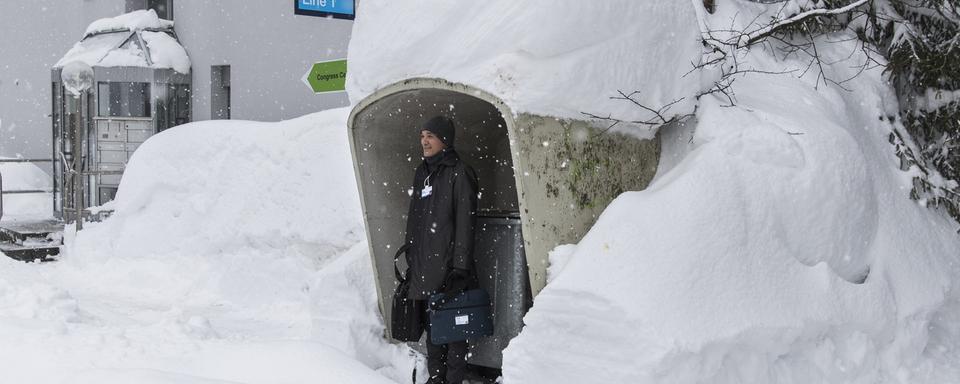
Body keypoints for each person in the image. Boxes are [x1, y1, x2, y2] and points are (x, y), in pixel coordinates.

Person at [404, 115, 479, 384]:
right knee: (434, 332)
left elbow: (465, 223)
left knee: (455, 333)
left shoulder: (459, 172)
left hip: (449, 268)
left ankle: (454, 381)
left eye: (431, 136)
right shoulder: (422, 172)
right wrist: (411, 254)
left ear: (445, 141)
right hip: (425, 266)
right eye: (423, 135)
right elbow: (415, 219)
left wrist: (460, 266)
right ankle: (436, 379)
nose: (424, 140)